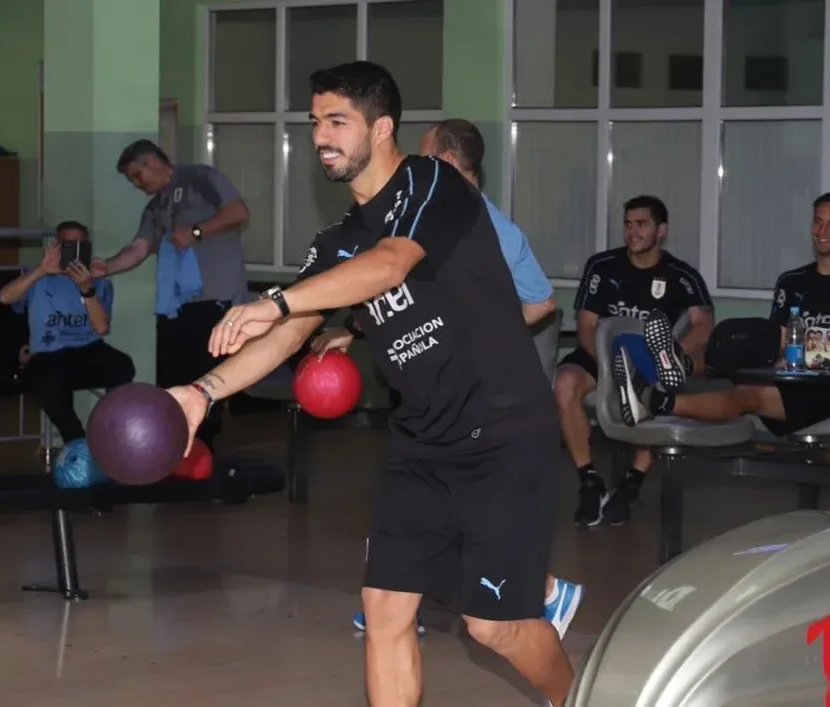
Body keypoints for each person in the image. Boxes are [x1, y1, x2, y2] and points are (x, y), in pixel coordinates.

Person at [165, 61, 575, 707]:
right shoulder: (337, 240)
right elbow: (289, 334)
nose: (320, 137)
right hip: (421, 441)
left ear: (382, 128)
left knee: (492, 625)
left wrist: (275, 301)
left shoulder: (432, 182)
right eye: (314, 123)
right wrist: (202, 391)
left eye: (337, 122)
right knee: (384, 607)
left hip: (502, 431)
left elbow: (390, 265)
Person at [313, 117, 581, 640]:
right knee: (421, 503)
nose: (409, 166)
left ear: (448, 162)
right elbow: (411, 295)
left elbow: (541, 301)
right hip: (431, 392)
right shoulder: (422, 213)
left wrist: (475, 333)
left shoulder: (478, 219)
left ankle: (542, 590)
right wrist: (356, 329)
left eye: (423, 156)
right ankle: (395, 600)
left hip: (484, 401)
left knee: (454, 509)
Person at [616, 191, 830, 435]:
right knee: (729, 341)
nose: (822, 230)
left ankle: (655, 399)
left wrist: (793, 342)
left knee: (748, 382)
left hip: (827, 391)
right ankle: (680, 366)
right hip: (784, 378)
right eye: (817, 221)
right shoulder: (791, 281)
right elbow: (770, 345)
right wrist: (783, 346)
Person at [556, 195, 714, 528]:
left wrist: (671, 354)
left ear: (661, 230)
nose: (633, 232)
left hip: (650, 362)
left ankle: (632, 482)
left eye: (642, 224)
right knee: (565, 383)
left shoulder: (681, 275)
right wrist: (609, 367)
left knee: (657, 387)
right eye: (628, 224)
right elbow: (586, 326)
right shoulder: (602, 266)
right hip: (600, 357)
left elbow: (703, 325)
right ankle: (589, 481)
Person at [90, 140, 250, 451]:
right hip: (174, 306)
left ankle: (203, 451)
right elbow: (139, 248)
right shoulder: (154, 207)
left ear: (152, 162)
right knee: (172, 378)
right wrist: (105, 267)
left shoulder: (199, 178)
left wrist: (196, 232)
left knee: (207, 379)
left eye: (137, 176)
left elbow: (238, 212)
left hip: (214, 299)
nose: (137, 185)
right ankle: (173, 449)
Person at [0, 221, 135, 444]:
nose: (74, 252)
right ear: (57, 247)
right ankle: (76, 442)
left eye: (81, 246)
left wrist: (87, 288)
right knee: (46, 377)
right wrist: (42, 270)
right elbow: (5, 297)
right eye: (68, 245)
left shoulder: (99, 282)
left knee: (123, 366)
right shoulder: (39, 278)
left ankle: (106, 431)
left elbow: (101, 328)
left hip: (88, 349)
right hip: (49, 355)